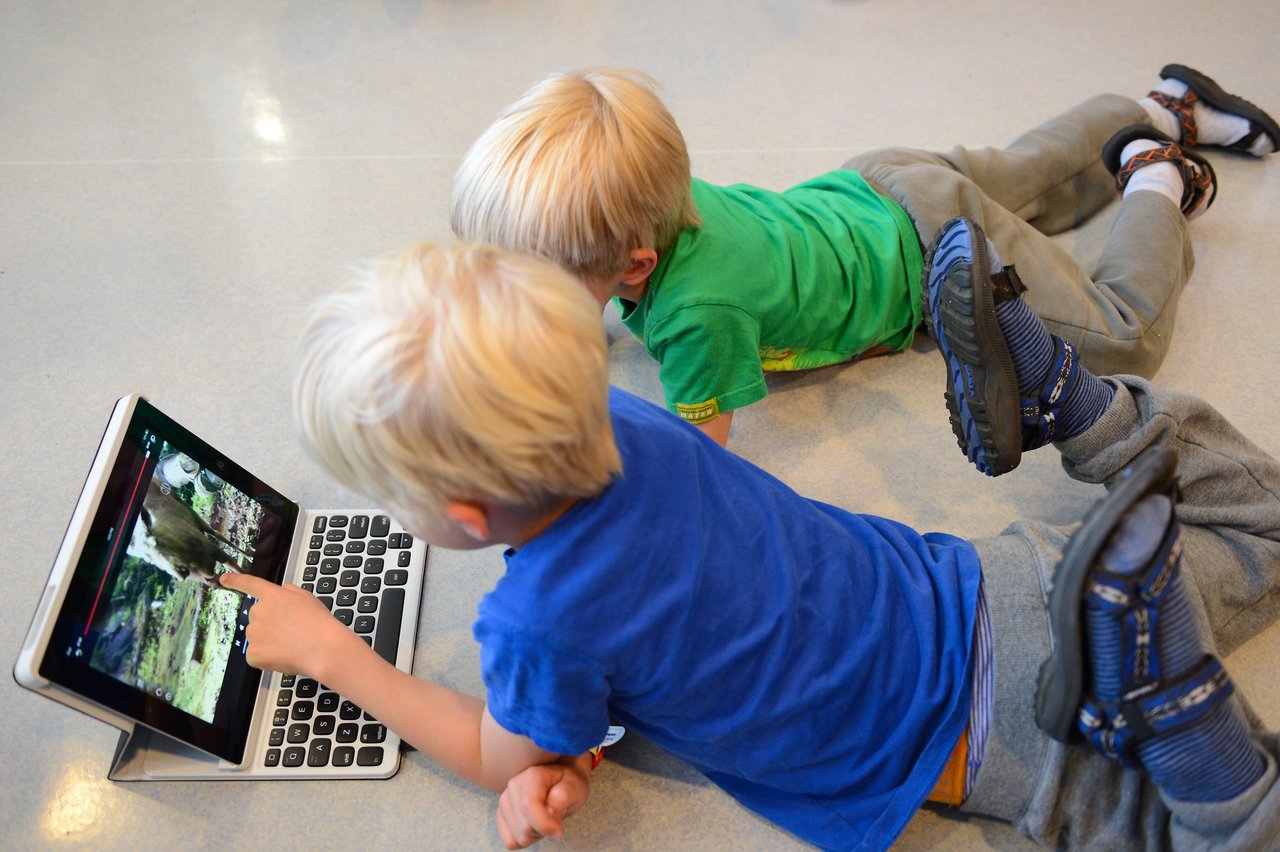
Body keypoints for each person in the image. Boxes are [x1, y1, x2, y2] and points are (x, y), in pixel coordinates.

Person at [221, 237, 1280, 850]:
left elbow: (498, 752)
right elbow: (677, 619)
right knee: (1261, 520)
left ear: (457, 519)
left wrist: (333, 654)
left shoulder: (532, 623)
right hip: (1004, 584)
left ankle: (1190, 737)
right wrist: (574, 739)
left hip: (993, 734)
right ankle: (1076, 404)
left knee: (1206, 838)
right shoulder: (633, 422)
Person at [449, 64, 1278, 447]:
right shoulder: (661, 195)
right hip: (883, 179)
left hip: (939, 255)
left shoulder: (696, 318)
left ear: (632, 268)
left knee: (1122, 331)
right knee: (1034, 175)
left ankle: (1154, 178)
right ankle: (1158, 105)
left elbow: (698, 457)